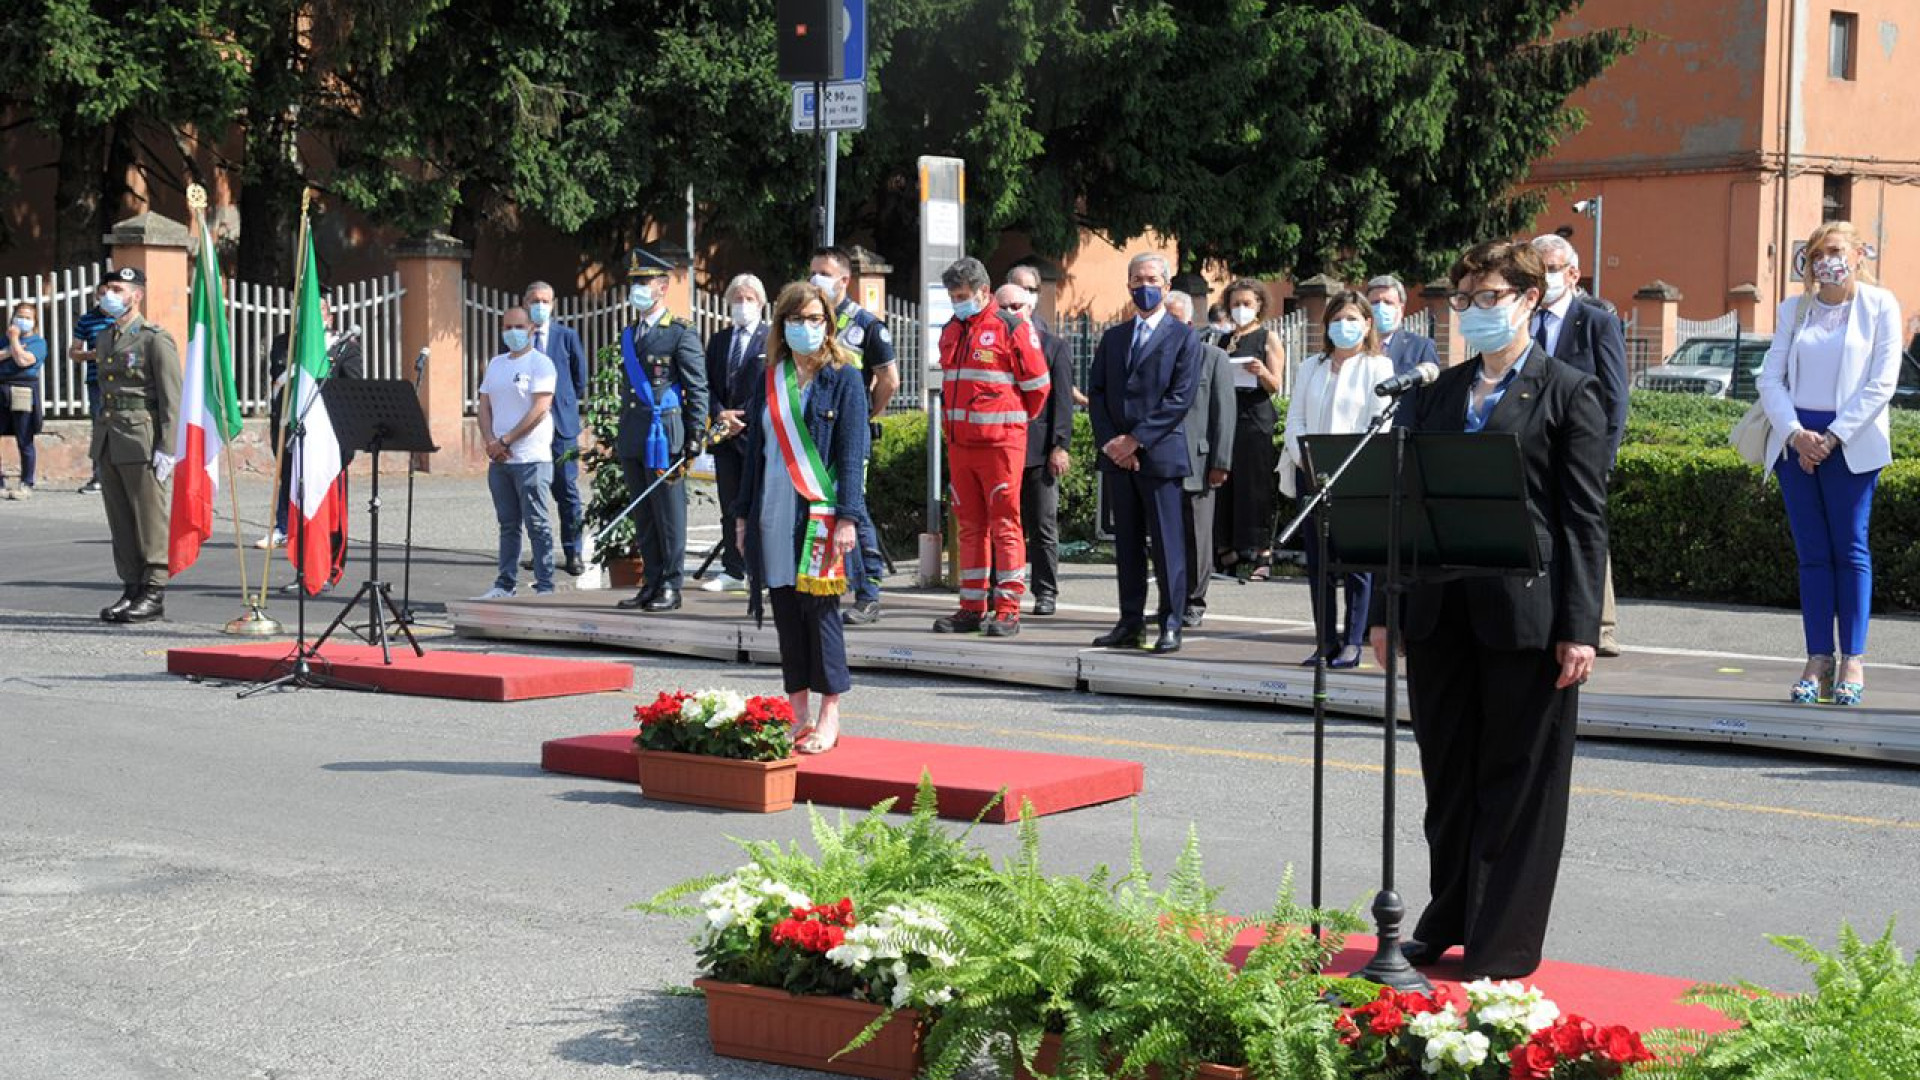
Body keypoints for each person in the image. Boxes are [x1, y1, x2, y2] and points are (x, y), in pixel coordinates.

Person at [1374, 239, 1608, 980]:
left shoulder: (1569, 391)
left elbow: (1582, 520)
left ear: (1530, 301)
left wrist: (1580, 627)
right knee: (1449, 778)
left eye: (1490, 299)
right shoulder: (1436, 391)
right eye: (1464, 300)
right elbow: (1403, 507)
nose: (1473, 313)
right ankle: (1446, 919)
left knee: (1516, 781)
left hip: (1525, 616)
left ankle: (1499, 941)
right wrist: (1387, 610)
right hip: (1441, 611)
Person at [1756, 220, 1904, 707]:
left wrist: (1834, 437)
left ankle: (1853, 659)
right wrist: (1797, 434)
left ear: (1860, 254)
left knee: (1851, 549)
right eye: (1817, 252)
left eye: (1836, 250)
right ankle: (1817, 658)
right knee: (1813, 554)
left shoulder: (1880, 305)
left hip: (1852, 444)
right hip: (1797, 443)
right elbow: (1770, 379)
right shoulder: (1792, 309)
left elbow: (1882, 382)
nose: (1826, 260)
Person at [733, 281, 870, 755]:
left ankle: (830, 710)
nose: (807, 328)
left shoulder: (844, 378)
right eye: (797, 320)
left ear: (829, 325)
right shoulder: (770, 376)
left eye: (816, 320)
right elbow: (756, 452)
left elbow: (853, 456)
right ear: (782, 325)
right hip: (772, 510)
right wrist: (743, 514)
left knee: (822, 613)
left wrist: (848, 518)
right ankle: (797, 713)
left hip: (819, 515)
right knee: (786, 611)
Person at [1088, 252, 1200, 654]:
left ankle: (1171, 622)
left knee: (1168, 545)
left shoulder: (1184, 336)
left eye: (1151, 278)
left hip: (1160, 456)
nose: (1143, 285)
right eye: (1136, 279)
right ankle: (1129, 622)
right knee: (1128, 545)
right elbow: (1097, 393)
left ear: (1166, 285)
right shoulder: (1114, 337)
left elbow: (1179, 399)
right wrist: (1111, 442)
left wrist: (1134, 440)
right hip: (1120, 459)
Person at [933, 258, 1050, 638]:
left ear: (983, 292)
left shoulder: (1011, 326)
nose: (957, 302)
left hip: (1000, 445)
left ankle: (1008, 608)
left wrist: (1010, 422)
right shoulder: (951, 330)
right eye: (953, 296)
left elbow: (1038, 387)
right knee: (969, 526)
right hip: (961, 446)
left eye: (963, 296)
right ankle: (971, 606)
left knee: (1005, 524)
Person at [1278, 290, 1395, 668]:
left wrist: (1347, 467)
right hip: (1312, 476)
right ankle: (1324, 641)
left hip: (1354, 477)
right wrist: (1305, 461)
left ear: (1366, 324)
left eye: (1352, 319)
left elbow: (1379, 423)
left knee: (1357, 566)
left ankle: (1352, 641)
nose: (1344, 326)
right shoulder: (1311, 366)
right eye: (1337, 319)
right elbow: (1296, 419)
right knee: (1319, 565)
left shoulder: (1378, 367)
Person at [1531, 233, 1630, 657]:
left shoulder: (1596, 321)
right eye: (1538, 269)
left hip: (1581, 453)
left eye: (1552, 268)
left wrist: (1601, 458)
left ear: (1573, 274)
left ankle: (1600, 626)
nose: (1545, 278)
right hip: (1534, 451)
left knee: (1585, 534)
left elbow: (1615, 395)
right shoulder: (1521, 320)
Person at [614, 248, 707, 612]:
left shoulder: (679, 333)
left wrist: (695, 433)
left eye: (645, 282)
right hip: (635, 433)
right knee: (645, 515)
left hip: (665, 435)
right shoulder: (630, 333)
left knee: (669, 515)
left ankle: (671, 584)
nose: (638, 288)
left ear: (663, 286)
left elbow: (697, 387)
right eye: (634, 282)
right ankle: (651, 582)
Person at [809, 246, 897, 625]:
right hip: (816, 429)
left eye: (823, 273)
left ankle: (869, 592)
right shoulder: (812, 320)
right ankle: (824, 581)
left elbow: (889, 380)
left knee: (853, 508)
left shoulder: (866, 325)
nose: (815, 279)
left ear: (844, 279)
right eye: (812, 271)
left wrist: (862, 418)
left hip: (848, 433)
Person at [91, 266, 183, 624]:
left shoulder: (153, 338)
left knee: (150, 517)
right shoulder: (105, 338)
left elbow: (171, 398)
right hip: (110, 438)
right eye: (105, 289)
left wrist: (168, 447)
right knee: (121, 519)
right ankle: (131, 587)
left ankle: (154, 591)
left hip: (143, 441)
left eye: (116, 288)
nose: (108, 295)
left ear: (137, 295)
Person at [258, 295, 363, 556]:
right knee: (291, 482)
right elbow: (277, 381)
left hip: (328, 435)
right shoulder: (285, 343)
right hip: (292, 426)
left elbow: (352, 391)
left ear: (329, 316)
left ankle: (328, 552)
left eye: (320, 311)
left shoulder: (343, 347)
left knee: (326, 495)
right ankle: (290, 539)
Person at [996, 282, 1074, 616]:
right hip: (998, 452)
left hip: (1038, 451)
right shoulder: (989, 346)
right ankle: (995, 590)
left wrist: (1060, 446)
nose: (1011, 313)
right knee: (999, 525)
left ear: (1030, 308)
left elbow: (1063, 401)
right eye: (1005, 308)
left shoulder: (1053, 346)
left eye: (1017, 306)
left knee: (1042, 525)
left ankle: (1045, 592)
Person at [474, 306, 558, 598]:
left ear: (532, 329)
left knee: (537, 523)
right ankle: (504, 583)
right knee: (508, 524)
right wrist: (490, 441)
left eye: (519, 327)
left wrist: (506, 440)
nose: (513, 333)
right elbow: (484, 405)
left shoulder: (541, 364)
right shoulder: (496, 364)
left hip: (531, 457)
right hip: (499, 460)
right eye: (507, 327)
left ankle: (545, 584)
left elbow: (540, 408)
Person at [1162, 290, 1234, 629]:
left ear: (1189, 323)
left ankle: (1194, 600)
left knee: (1196, 536)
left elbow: (1224, 414)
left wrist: (1220, 461)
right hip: (1160, 462)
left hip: (1199, 462)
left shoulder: (1212, 358)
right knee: (1165, 538)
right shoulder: (1153, 356)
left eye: (1174, 318)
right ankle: (1169, 602)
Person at [1212, 278, 1285, 581]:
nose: (1241, 309)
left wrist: (1261, 371)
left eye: (1247, 304)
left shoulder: (1268, 337)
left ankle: (1261, 553)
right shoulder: (1222, 340)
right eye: (1235, 304)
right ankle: (1226, 549)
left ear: (1258, 306)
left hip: (1255, 418)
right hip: (1227, 416)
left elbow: (1275, 385)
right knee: (1225, 484)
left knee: (1254, 486)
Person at [703, 273, 769, 594]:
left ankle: (762, 571)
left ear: (761, 303)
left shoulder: (771, 340)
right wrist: (720, 414)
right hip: (724, 436)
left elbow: (771, 387)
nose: (743, 305)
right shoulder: (718, 341)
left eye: (749, 299)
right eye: (737, 299)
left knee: (759, 505)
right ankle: (733, 568)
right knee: (729, 504)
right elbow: (706, 386)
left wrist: (745, 417)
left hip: (757, 435)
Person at [526, 280, 590, 577]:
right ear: (526, 303)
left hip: (561, 425)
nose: (540, 306)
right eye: (535, 300)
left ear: (553, 305)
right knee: (531, 490)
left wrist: (562, 403)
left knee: (567, 490)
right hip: (527, 426)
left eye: (545, 301)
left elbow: (580, 378)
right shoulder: (518, 337)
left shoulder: (566, 336)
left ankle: (573, 551)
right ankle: (539, 552)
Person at [1, 302, 48, 500]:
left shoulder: (38, 342)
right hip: (1, 386)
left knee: (25, 438)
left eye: (28, 317)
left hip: (23, 389)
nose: (23, 320)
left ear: (35, 322)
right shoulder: (3, 339)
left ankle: (26, 482)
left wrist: (13, 342)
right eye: (20, 315)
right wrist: (13, 348)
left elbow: (24, 361)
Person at [72, 285, 115, 495]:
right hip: (97, 381)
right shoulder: (87, 319)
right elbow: (74, 352)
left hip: (122, 381)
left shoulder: (125, 317)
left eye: (113, 292)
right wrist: (92, 354)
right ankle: (98, 476)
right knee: (100, 426)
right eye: (103, 293)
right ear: (97, 296)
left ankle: (123, 475)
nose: (108, 297)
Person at [1366, 274, 1440, 377]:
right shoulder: (1356, 346)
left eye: (1388, 302)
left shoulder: (1421, 347)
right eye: (1375, 302)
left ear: (1401, 309)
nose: (1380, 307)